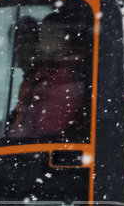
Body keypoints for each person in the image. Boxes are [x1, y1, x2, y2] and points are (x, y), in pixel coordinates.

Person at [8, 8, 89, 139]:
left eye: (49, 35)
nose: (41, 43)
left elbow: (45, 134)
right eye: (42, 36)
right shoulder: (44, 75)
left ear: (63, 39)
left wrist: (12, 140)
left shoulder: (64, 81)